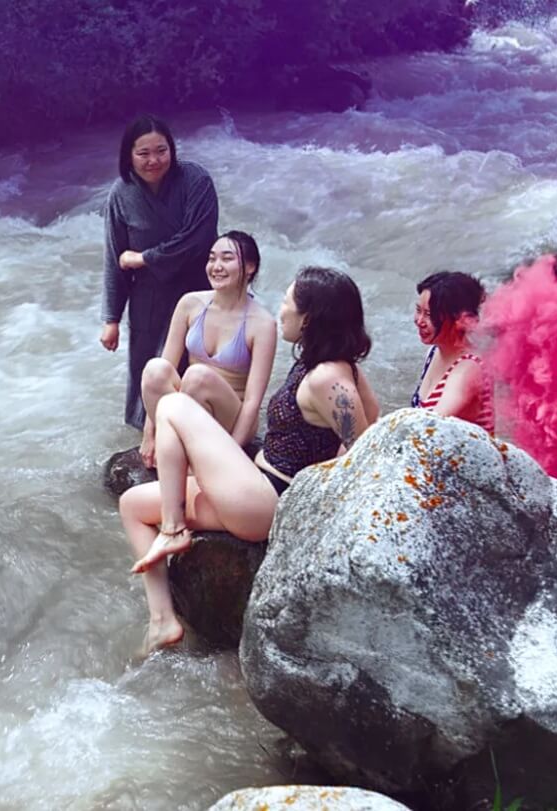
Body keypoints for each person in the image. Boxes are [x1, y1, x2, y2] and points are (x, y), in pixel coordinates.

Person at [119, 267, 380, 655]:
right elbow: (374, 423)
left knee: (173, 404)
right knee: (132, 505)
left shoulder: (328, 378)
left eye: (288, 302)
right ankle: (163, 621)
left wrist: (314, 507)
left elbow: (365, 449)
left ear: (309, 318)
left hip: (267, 500)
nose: (281, 309)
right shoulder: (332, 366)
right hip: (255, 485)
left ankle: (173, 529)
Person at [100, 113, 220, 429]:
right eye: (144, 153)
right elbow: (115, 259)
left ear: (172, 150)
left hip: (197, 291)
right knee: (146, 372)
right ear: (129, 155)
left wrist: (145, 258)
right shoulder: (121, 194)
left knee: (194, 371)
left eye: (161, 150)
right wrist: (111, 319)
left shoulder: (196, 181)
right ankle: (144, 441)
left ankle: (197, 437)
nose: (154, 160)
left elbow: (199, 239)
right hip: (148, 297)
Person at [137, 231, 277, 467]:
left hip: (231, 415)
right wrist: (148, 434)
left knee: (197, 375)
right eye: (212, 259)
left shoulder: (262, 324)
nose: (216, 266)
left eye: (227, 258)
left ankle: (192, 457)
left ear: (250, 267)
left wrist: (232, 454)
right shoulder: (190, 303)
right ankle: (168, 441)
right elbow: (167, 365)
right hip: (190, 402)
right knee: (155, 369)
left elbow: (253, 401)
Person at [411, 271, 495, 433]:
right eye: (418, 310)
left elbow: (430, 426)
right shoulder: (433, 352)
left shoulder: (469, 369)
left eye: (428, 314)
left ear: (458, 319)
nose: (419, 321)